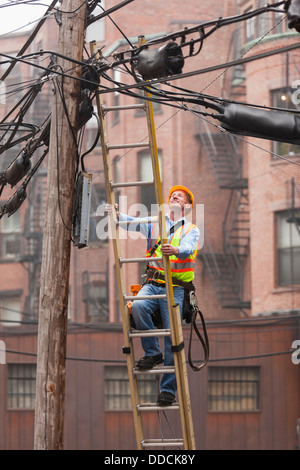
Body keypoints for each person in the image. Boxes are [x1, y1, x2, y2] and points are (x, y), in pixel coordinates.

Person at [106, 185, 199, 406]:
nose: (174, 196)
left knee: (172, 339)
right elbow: (131, 222)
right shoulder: (156, 222)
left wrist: (176, 250)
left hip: (175, 288)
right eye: (172, 195)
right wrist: (117, 215)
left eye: (180, 196)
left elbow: (188, 247)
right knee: (138, 307)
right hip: (153, 282)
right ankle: (152, 352)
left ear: (187, 205)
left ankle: (167, 390)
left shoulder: (191, 229)